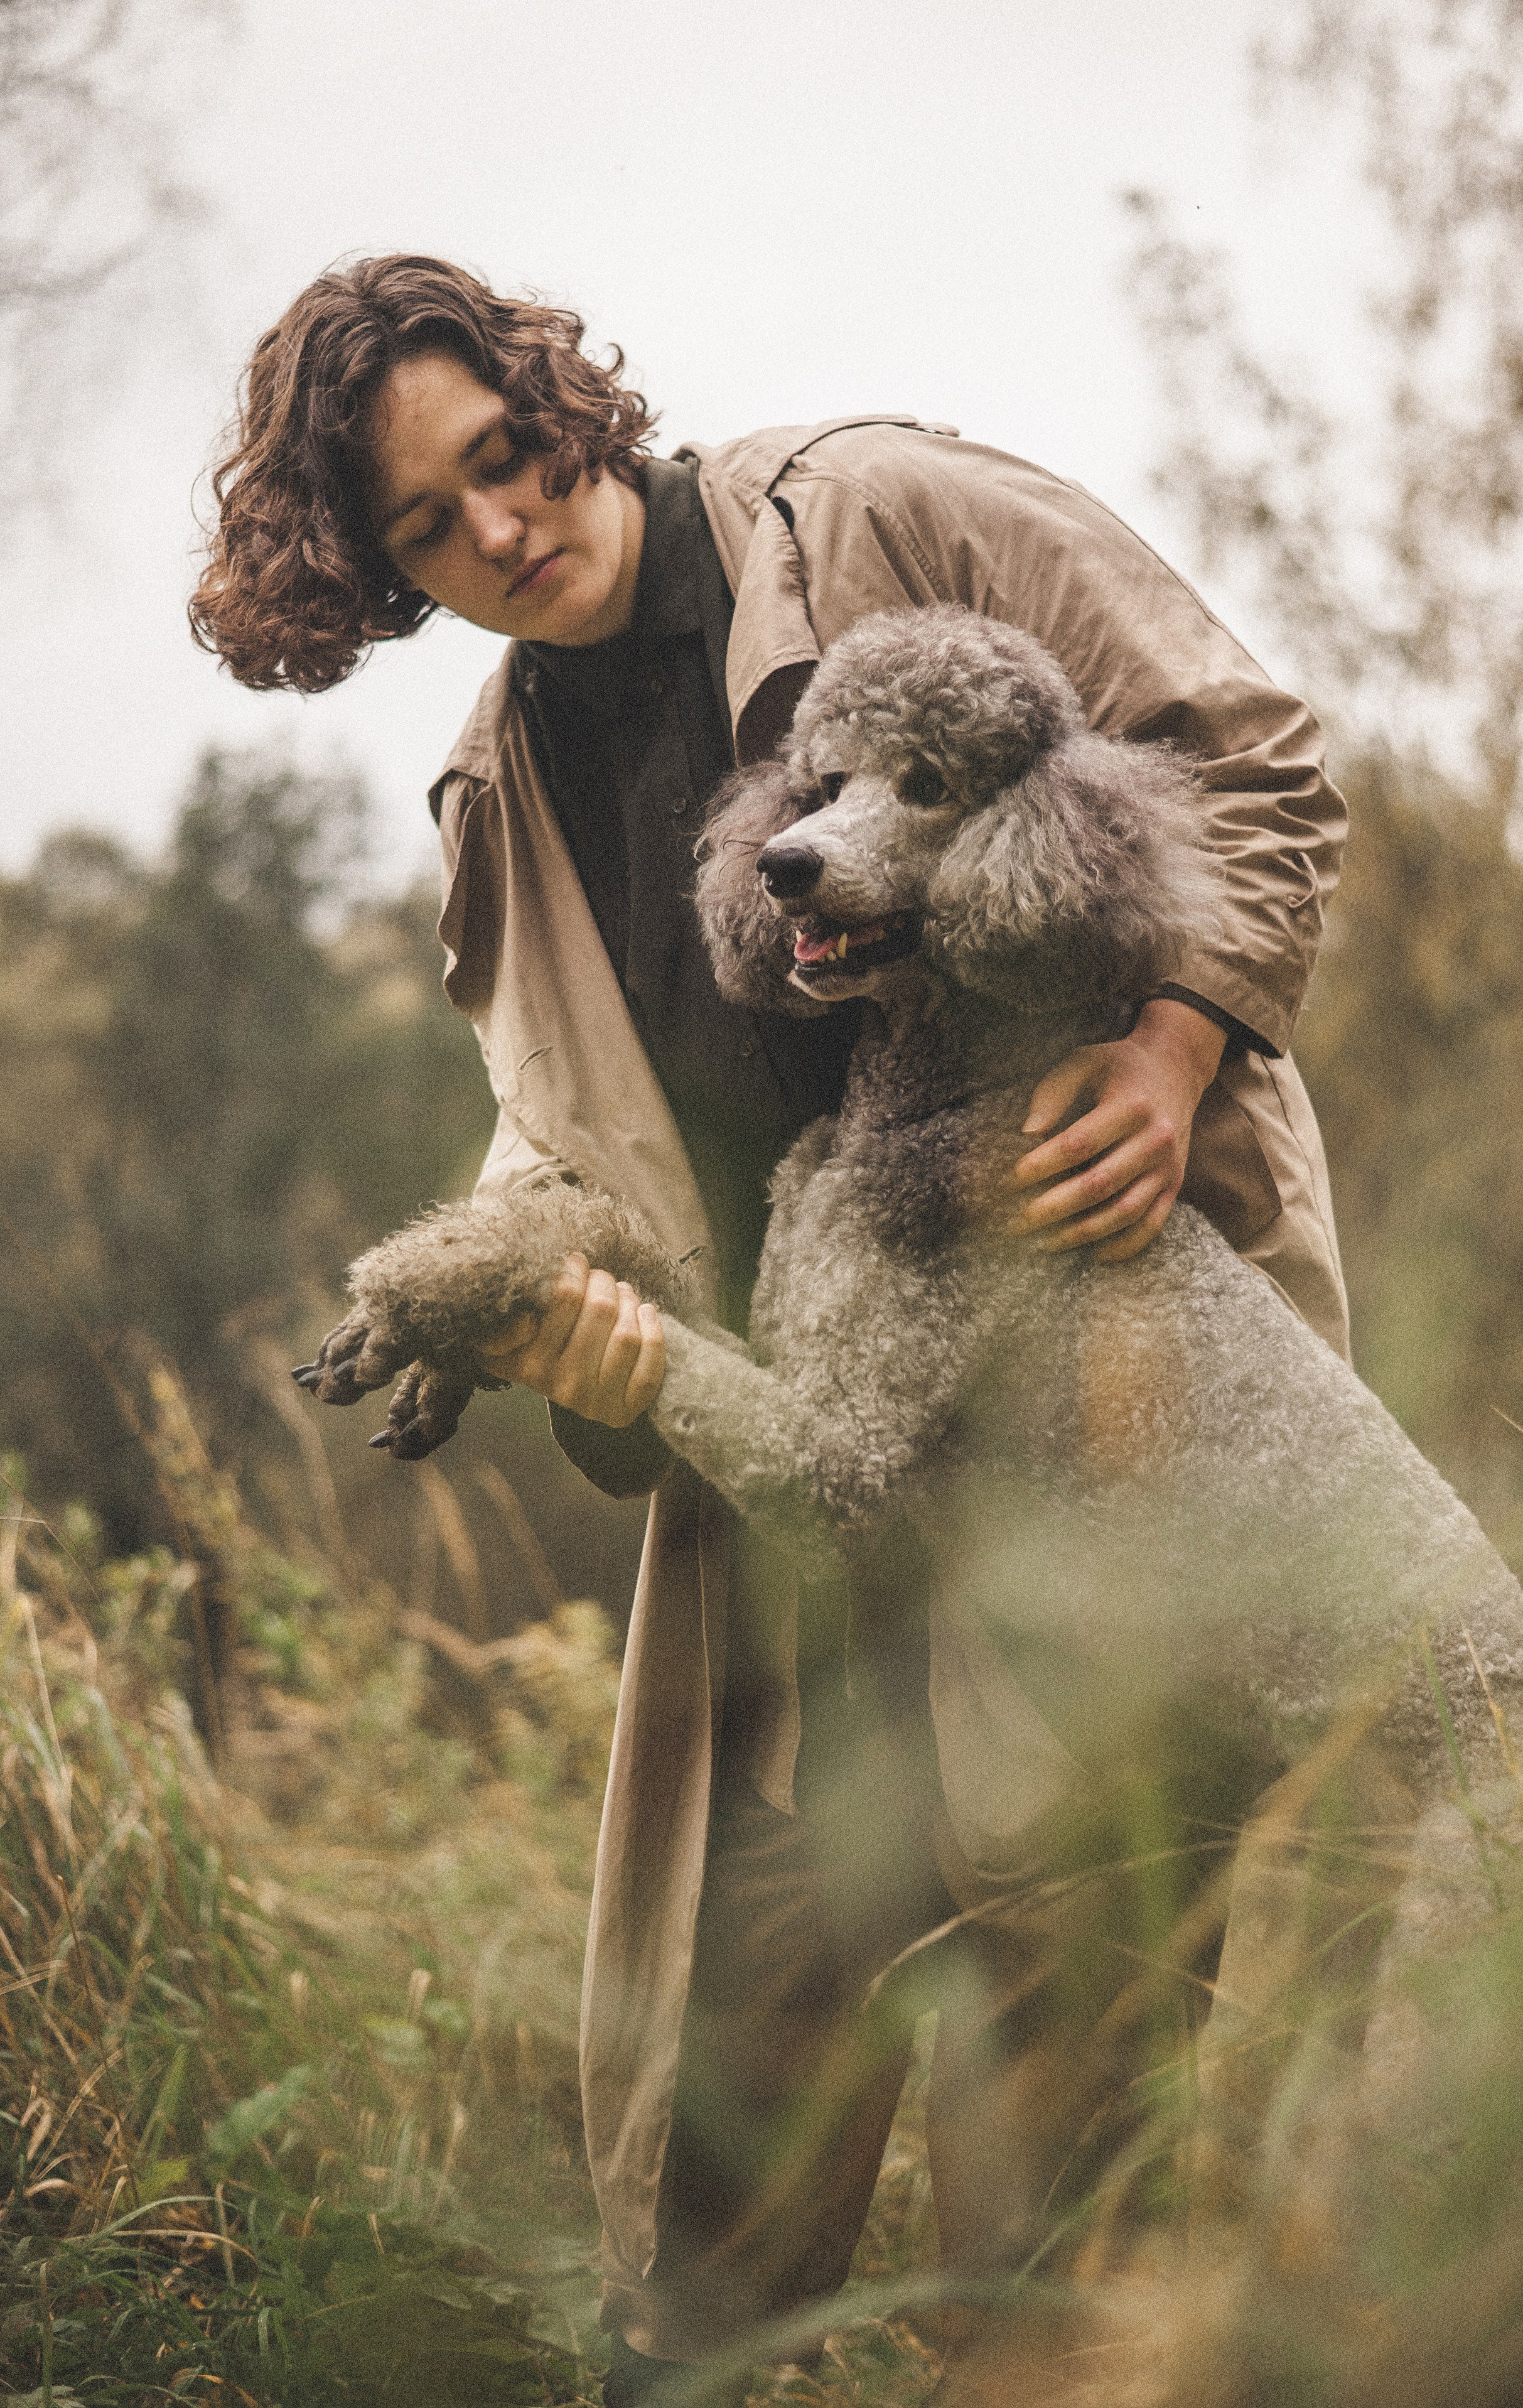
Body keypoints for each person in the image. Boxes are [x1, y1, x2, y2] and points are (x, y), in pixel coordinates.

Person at [191, 254, 1349, 2397]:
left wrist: (1184, 1041)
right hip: (809, 1514)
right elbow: (591, 1172)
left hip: (1098, 1417)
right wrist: (589, 1359)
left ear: (562, 397)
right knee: (707, 2183)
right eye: (430, 534)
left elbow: (1256, 759)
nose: (506, 535)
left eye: (506, 460)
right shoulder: (503, 797)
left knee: (1071, 2165)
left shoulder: (887, 515)